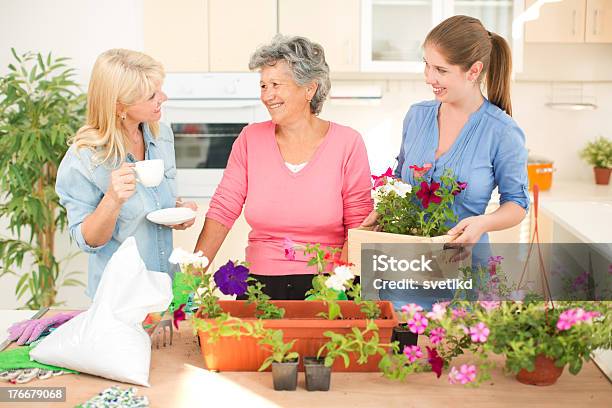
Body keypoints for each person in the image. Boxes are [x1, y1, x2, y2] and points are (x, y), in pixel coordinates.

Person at [364, 15, 529, 308]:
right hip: (405, 271)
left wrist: (483, 223)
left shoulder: (501, 131)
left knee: (455, 352)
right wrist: (385, 207)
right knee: (400, 348)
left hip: (463, 273)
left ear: (473, 71)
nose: (429, 77)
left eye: (440, 69)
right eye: (426, 64)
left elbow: (517, 204)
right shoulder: (417, 116)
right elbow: (402, 178)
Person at [194, 35, 373, 300]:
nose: (267, 96)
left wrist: (337, 287)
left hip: (327, 284)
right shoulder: (250, 139)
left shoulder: (347, 143)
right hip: (260, 284)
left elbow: (359, 226)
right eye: (263, 85)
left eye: (276, 84)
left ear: (309, 89)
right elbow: (223, 210)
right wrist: (189, 279)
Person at [56, 49, 197, 298]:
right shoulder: (85, 157)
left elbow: (152, 203)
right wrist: (113, 199)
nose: (163, 97)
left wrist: (178, 209)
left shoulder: (161, 135)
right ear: (121, 104)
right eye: (152, 95)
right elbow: (88, 241)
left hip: (165, 287)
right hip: (119, 297)